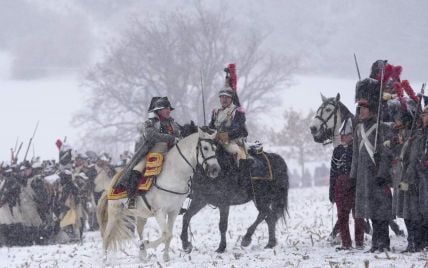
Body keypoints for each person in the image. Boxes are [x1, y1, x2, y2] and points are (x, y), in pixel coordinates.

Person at [351, 78, 394, 253]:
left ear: (371, 109)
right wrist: (354, 176)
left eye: (363, 108)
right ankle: (376, 243)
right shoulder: (358, 129)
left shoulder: (381, 128)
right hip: (363, 177)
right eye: (359, 108)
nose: (360, 111)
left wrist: (382, 174)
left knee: (380, 213)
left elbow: (386, 154)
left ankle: (383, 243)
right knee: (370, 212)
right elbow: (355, 154)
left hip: (377, 176)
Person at [121, 96, 181, 209]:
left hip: (171, 154)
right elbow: (151, 135)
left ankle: (180, 199)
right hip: (152, 154)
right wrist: (171, 138)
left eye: (169, 108)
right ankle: (131, 198)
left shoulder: (174, 124)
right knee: (136, 170)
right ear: (158, 111)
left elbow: (180, 135)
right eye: (165, 108)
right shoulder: (149, 123)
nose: (168, 110)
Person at [329, 118, 365, 250]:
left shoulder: (357, 148)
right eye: (341, 135)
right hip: (340, 186)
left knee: (358, 215)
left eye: (345, 135)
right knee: (342, 216)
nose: (343, 137)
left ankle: (360, 242)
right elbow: (333, 172)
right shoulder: (337, 150)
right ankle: (346, 243)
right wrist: (331, 191)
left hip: (355, 185)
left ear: (351, 135)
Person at [208, 86, 249, 168]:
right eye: (222, 97)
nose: (224, 99)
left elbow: (239, 130)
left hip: (233, 141)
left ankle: (238, 172)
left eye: (227, 97)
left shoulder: (237, 111)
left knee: (235, 151)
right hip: (216, 140)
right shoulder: (216, 112)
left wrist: (223, 136)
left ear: (231, 99)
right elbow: (211, 127)